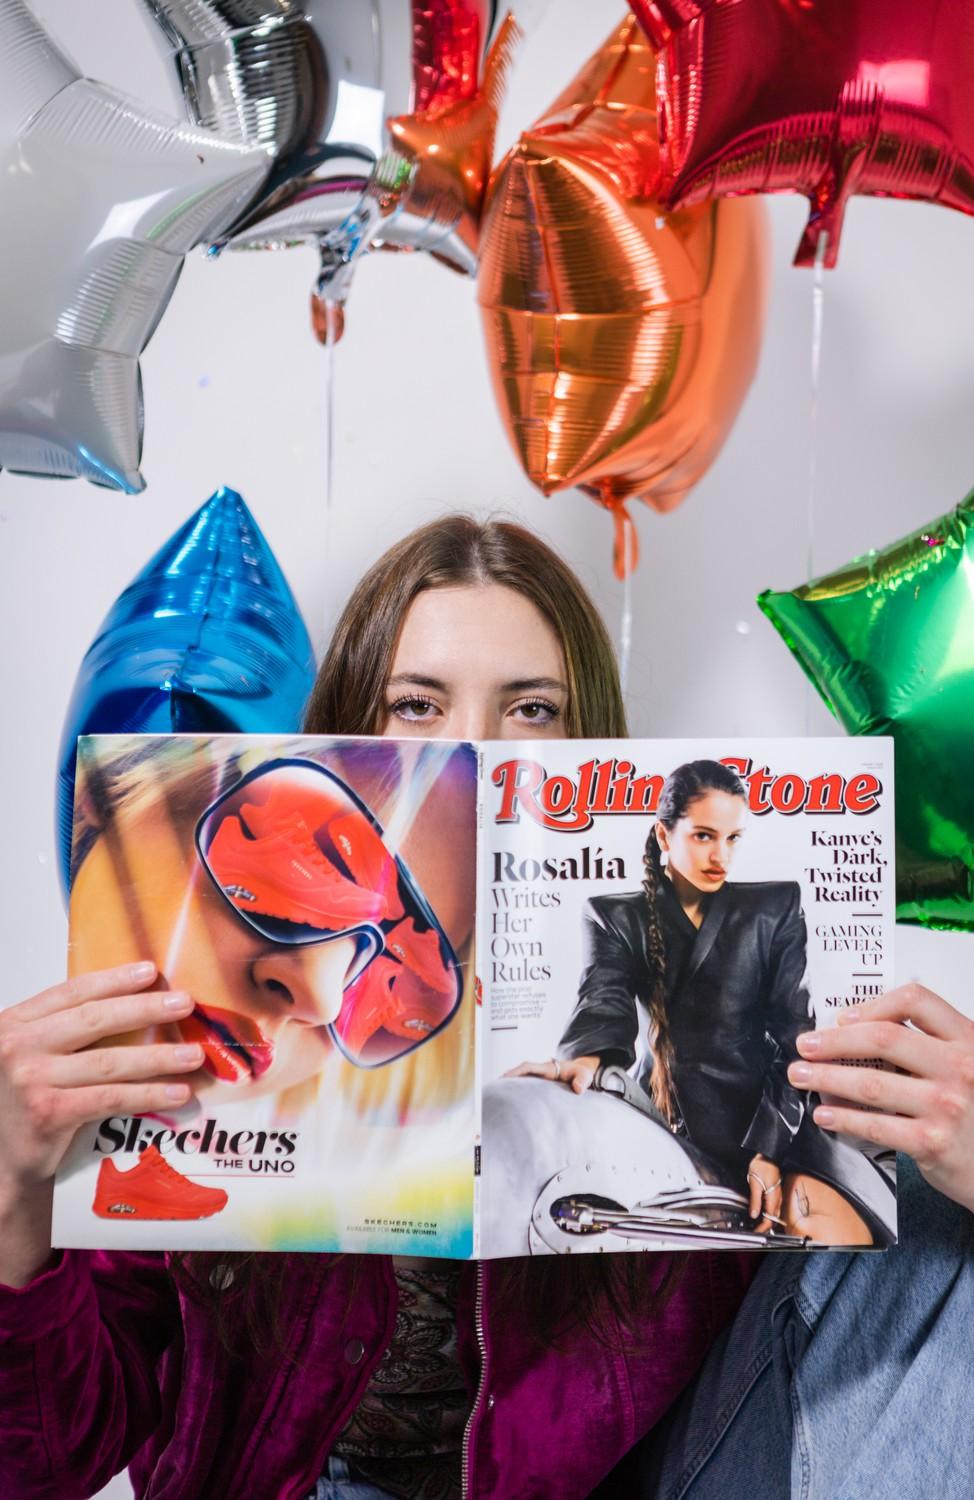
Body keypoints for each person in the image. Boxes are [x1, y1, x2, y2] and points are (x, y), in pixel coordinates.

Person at [0, 517, 756, 1500]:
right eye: (415, 704)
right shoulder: (211, 1038)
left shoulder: (659, 1013)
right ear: (348, 727)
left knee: (916, 1217)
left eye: (531, 708)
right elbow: (40, 1467)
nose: (475, 746)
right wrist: (13, 1195)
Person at [511, 759, 883, 1244]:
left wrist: (768, 1152)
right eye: (704, 836)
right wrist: (582, 1060)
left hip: (771, 1121)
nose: (720, 857)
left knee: (826, 1229)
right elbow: (602, 1001)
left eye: (732, 838)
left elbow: (797, 1040)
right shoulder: (613, 916)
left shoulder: (774, 909)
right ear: (664, 836)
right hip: (661, 1127)